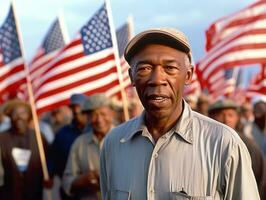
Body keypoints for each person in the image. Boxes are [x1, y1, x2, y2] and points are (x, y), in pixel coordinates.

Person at [100, 28, 260, 199]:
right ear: (131, 77)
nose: (157, 79)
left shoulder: (224, 144)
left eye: (170, 68)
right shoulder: (113, 143)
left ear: (188, 75)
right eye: (145, 68)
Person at [208, 98, 266, 199]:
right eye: (220, 115)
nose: (226, 119)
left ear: (237, 118)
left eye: (230, 115)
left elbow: (261, 179)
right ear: (210, 117)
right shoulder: (204, 142)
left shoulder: (247, 144)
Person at [62, 93, 114, 200]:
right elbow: (67, 182)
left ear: (111, 114)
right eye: (94, 115)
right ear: (88, 118)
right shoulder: (79, 143)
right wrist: (82, 180)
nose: (99, 120)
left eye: (103, 114)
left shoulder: (125, 138)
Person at [0, 100, 48, 200]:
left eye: (23, 113)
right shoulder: (2, 138)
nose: (19, 117)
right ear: (10, 116)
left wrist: (49, 176)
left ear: (29, 117)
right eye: (15, 114)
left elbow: (49, 160)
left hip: (34, 192)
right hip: (9, 193)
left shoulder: (38, 137)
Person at [50, 93, 89, 200]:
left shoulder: (96, 130)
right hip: (70, 189)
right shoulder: (62, 134)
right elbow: (53, 157)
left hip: (92, 189)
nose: (77, 112)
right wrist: (50, 175)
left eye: (80, 108)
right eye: (74, 108)